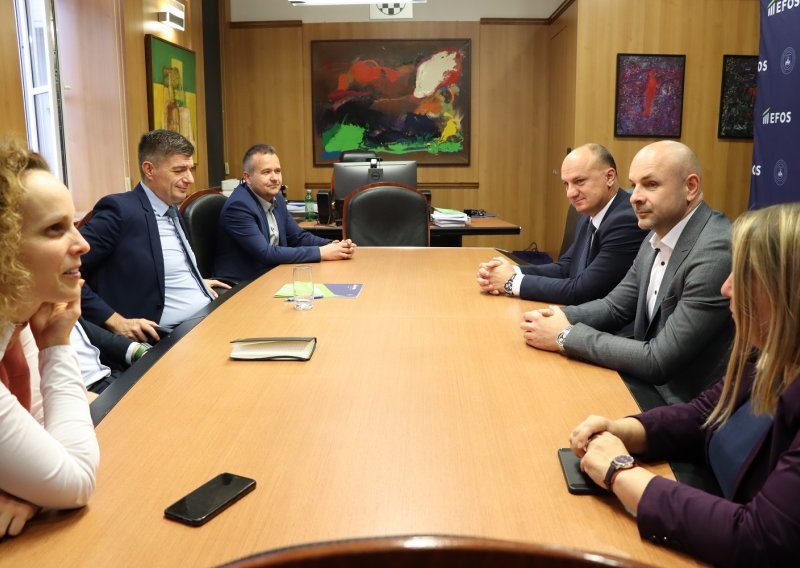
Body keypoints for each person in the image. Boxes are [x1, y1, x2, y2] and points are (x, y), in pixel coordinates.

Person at [568, 202, 800, 566]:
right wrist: (621, 429)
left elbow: (759, 538)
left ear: (788, 293)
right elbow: (703, 415)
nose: (726, 288)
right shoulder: (770, 354)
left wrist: (619, 472)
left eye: (743, 275)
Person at [521, 141, 733, 404]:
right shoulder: (656, 234)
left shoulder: (714, 251)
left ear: (690, 187)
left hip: (684, 403)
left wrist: (565, 335)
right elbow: (615, 307)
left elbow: (659, 360)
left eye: (651, 184)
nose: (634, 197)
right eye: (634, 185)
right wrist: (553, 318)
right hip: (647, 380)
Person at [0, 140, 99, 537]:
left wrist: (31, 488)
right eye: (55, 229)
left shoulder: (15, 319)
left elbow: (48, 441)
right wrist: (56, 346)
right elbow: (76, 481)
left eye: (72, 223)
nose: (82, 243)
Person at [79, 130, 229, 342]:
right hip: (170, 336)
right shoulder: (120, 211)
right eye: (179, 170)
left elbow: (161, 265)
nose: (190, 179)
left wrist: (193, 280)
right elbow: (59, 272)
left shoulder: (170, 206)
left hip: (208, 313)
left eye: (190, 169)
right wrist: (113, 320)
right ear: (149, 170)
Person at [476, 144, 647, 304]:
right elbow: (565, 268)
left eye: (579, 181)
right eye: (566, 184)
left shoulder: (626, 220)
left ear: (609, 177)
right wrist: (511, 271)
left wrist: (511, 282)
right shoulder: (589, 213)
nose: (570, 193)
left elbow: (583, 291)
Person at [214, 144, 357, 282]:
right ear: (247, 177)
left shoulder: (277, 198)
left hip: (272, 275)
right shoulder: (239, 207)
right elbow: (266, 253)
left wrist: (334, 245)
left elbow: (298, 237)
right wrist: (321, 252)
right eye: (266, 172)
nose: (275, 178)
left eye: (277, 171)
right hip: (243, 284)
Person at [71, 317, 150, 395]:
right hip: (84, 396)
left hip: (113, 377)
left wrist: (139, 351)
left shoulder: (68, 313)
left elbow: (86, 334)